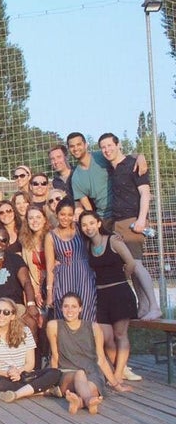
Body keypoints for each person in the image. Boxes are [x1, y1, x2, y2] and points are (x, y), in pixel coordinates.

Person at [99, 132, 161, 321]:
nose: (107, 150)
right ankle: (143, 306)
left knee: (138, 264)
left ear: (118, 145)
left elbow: (145, 193)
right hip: (118, 222)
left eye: (110, 145)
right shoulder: (113, 168)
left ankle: (154, 305)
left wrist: (142, 220)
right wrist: (138, 154)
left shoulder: (133, 166)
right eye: (103, 147)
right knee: (131, 265)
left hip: (133, 221)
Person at [80, 211, 142, 382]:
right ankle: (119, 369)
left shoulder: (114, 241)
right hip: (101, 294)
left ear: (98, 223)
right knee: (106, 337)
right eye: (84, 225)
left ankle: (117, 375)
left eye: (91, 223)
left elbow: (130, 262)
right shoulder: (87, 246)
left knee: (120, 334)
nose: (88, 227)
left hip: (119, 293)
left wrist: (124, 278)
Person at [46, 293, 132, 415]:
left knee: (90, 387)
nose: (70, 310)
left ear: (80, 308)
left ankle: (80, 402)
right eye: (66, 306)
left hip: (92, 373)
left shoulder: (93, 327)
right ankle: (89, 401)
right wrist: (51, 382)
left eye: (74, 306)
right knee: (80, 375)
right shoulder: (53, 326)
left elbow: (101, 359)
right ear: (61, 308)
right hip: (67, 373)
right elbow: (55, 356)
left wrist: (117, 385)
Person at [0, 298, 61, 402]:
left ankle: (17, 394)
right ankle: (42, 391)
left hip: (24, 374)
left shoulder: (25, 331)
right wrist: (8, 373)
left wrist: (18, 372)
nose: (1, 315)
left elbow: (30, 363)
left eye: (6, 312)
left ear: (13, 316)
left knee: (55, 373)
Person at [44, 199, 97, 322]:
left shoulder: (80, 229)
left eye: (69, 215)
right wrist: (50, 293)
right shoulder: (50, 236)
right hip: (63, 277)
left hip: (84, 276)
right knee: (65, 313)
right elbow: (50, 267)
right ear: (57, 214)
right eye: (62, 214)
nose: (65, 218)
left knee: (86, 311)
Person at [20, 206, 50, 311]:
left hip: (53, 284)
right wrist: (36, 292)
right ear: (27, 221)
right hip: (35, 285)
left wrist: (49, 290)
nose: (35, 221)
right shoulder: (25, 242)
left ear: (45, 219)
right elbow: (26, 269)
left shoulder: (52, 238)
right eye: (31, 218)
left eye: (38, 217)